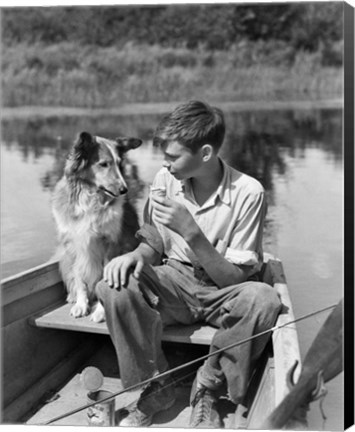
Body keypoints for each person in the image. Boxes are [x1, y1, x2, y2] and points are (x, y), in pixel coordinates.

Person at [96, 100, 281, 428]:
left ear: (205, 153)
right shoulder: (164, 180)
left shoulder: (248, 192)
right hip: (174, 279)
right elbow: (153, 239)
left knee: (263, 299)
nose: (165, 164)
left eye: (172, 156)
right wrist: (134, 256)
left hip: (225, 291)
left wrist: (193, 234)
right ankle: (158, 384)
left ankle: (207, 386)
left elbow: (234, 279)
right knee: (113, 285)